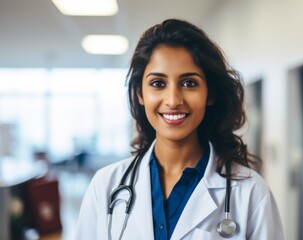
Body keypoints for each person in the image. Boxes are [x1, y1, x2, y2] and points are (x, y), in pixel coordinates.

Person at [74, 19, 284, 240]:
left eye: (189, 83)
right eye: (157, 83)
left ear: (210, 94)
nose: (173, 100)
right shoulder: (106, 185)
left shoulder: (251, 193)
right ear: (140, 93)